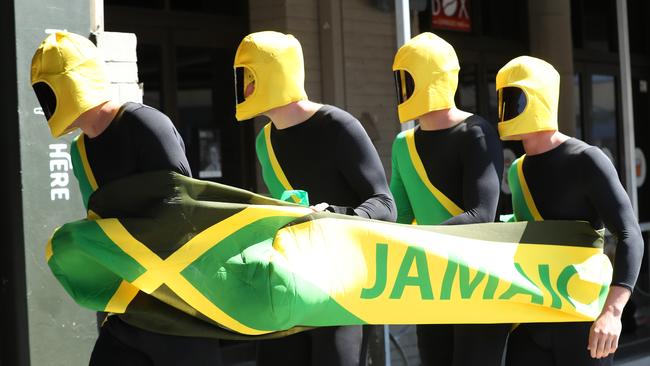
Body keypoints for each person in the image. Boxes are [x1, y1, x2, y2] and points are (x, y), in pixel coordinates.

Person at [31, 30, 223, 366]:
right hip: (127, 309)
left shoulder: (147, 124)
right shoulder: (81, 151)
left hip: (180, 312)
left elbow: (187, 216)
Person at [233, 30, 397, 366]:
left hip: (341, 290)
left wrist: (333, 215)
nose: (243, 88)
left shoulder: (339, 126)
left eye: (248, 76)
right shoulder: (264, 141)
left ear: (273, 73)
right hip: (286, 289)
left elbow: (385, 204)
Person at [496, 55, 644, 365]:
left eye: (513, 97)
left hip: (583, 318)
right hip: (530, 318)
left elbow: (630, 234)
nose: (507, 107)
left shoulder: (587, 160)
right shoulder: (517, 170)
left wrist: (613, 313)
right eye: (503, 97)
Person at [389, 32, 509, 366]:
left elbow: (482, 214)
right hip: (431, 287)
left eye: (408, 77)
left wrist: (420, 241)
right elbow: (396, 215)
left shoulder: (478, 132)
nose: (401, 87)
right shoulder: (403, 144)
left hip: (480, 283)